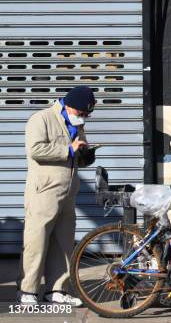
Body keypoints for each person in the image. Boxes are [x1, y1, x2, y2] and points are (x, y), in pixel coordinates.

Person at [17, 86, 97, 305]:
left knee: (64, 242)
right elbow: (35, 149)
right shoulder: (41, 118)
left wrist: (85, 155)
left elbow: (76, 153)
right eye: (81, 113)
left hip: (68, 190)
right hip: (44, 190)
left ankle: (57, 290)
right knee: (36, 240)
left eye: (86, 115)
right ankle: (28, 290)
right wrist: (68, 149)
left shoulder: (77, 123)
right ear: (70, 105)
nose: (83, 118)